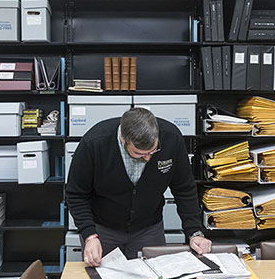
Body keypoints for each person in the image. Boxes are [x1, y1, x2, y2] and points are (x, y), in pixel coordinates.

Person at [66, 107, 211, 267]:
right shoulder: (94, 143)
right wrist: (89, 235)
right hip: (102, 231)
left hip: (149, 229)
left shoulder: (172, 138)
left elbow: (184, 189)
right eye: (140, 153)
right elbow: (76, 194)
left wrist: (194, 232)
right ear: (123, 139)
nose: (148, 158)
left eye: (153, 150)